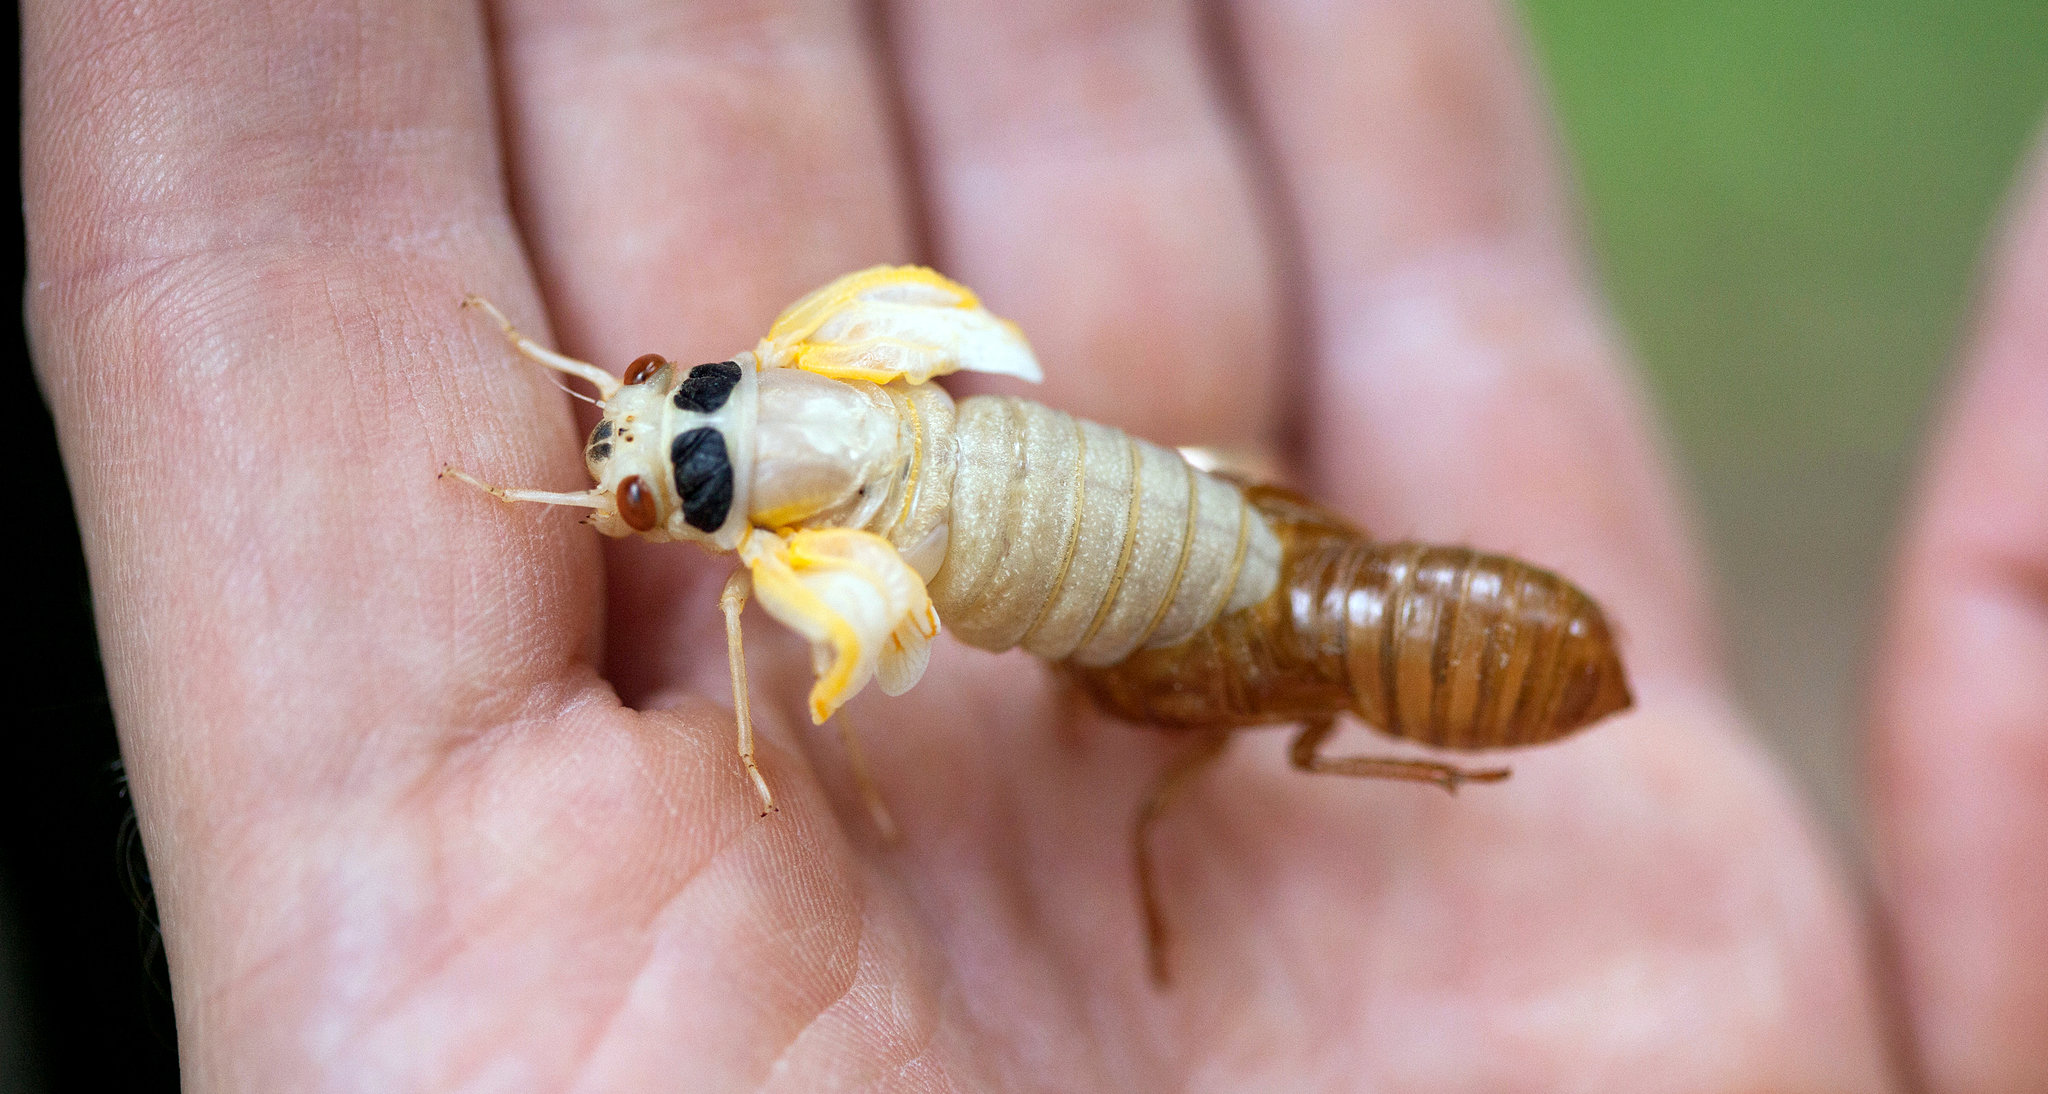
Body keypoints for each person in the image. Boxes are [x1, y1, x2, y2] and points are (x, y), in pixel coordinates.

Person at [20, 1, 2042, 1089]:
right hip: (1293, 578)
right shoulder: (847, 398)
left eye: (655, 419)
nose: (652, 440)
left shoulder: (829, 511)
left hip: (1300, 604)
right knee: (1259, 656)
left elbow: (864, 646)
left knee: (1251, 688)